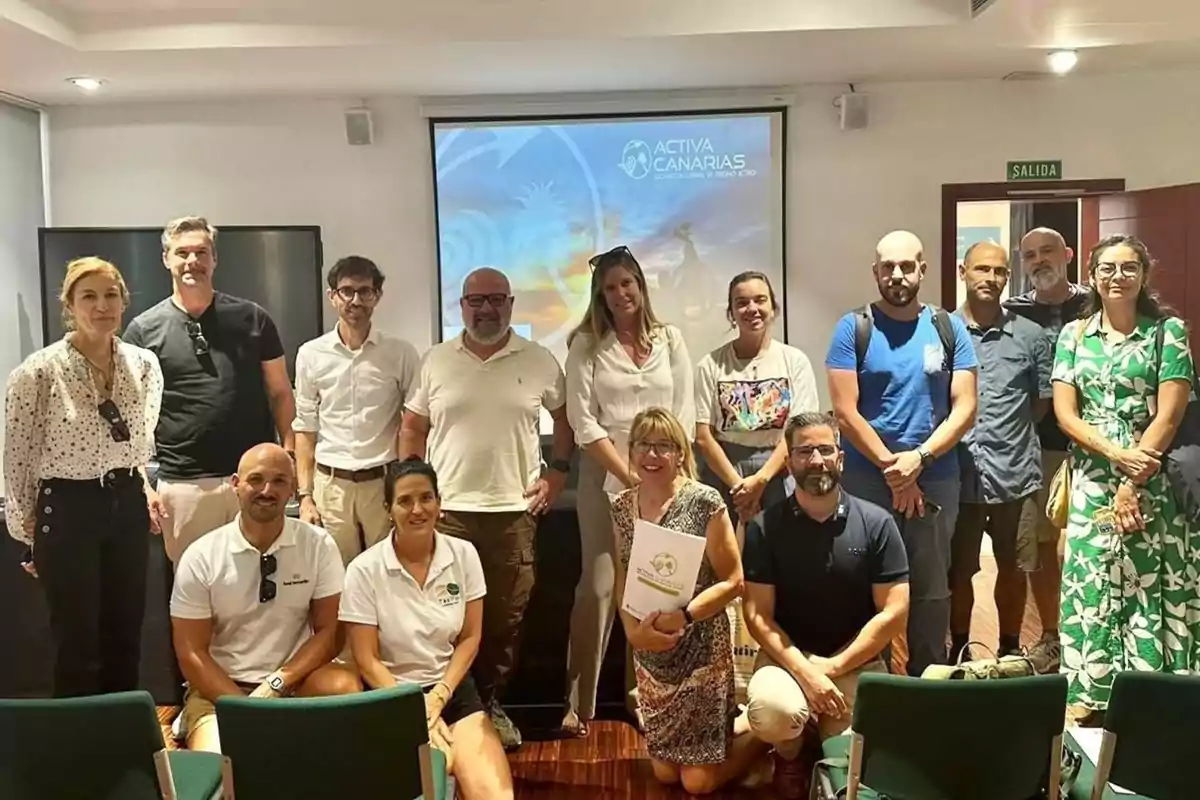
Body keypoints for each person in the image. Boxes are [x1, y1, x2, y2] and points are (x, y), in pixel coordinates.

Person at [399, 267, 573, 750]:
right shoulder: (436, 361)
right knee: (442, 620)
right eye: (476, 300)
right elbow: (412, 426)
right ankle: (445, 707)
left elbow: (565, 420)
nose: (486, 309)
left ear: (511, 304)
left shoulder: (538, 359)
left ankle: (488, 707)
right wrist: (413, 487)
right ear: (462, 306)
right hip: (447, 514)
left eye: (496, 299)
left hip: (513, 516)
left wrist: (557, 473)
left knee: (502, 622)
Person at [1052, 234, 1199, 719]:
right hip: (1094, 477)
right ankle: (1092, 696)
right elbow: (1066, 414)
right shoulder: (1073, 336)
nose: (1118, 277)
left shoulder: (1168, 332)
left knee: (1148, 583)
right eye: (1108, 268)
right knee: (1093, 581)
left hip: (1152, 477)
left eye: (1129, 267)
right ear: (1092, 276)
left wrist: (1132, 478)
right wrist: (1116, 456)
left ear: (1144, 275)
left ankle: (1154, 697)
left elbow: (1170, 414)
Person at [4, 257, 163, 697]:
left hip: (126, 503)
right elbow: (16, 457)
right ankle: (74, 753)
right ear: (69, 305)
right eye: (88, 296)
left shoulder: (144, 365)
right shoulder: (38, 373)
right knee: (76, 644)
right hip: (68, 508)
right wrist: (29, 531)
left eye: (111, 295)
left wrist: (144, 489)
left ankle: (123, 745)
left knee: (125, 636)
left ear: (124, 301)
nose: (102, 306)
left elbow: (139, 443)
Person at [825, 230, 978, 676]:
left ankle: (927, 690)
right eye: (887, 267)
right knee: (866, 585)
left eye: (906, 266)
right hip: (867, 478)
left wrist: (920, 461)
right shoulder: (853, 328)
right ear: (875, 273)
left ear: (922, 270)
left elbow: (964, 407)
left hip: (936, 476)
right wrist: (896, 470)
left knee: (931, 590)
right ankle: (869, 685)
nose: (897, 275)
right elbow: (844, 412)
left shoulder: (949, 328)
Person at [563, 245, 694, 736]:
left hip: (665, 482)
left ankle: (646, 697)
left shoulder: (671, 339)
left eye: (627, 284)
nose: (620, 294)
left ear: (641, 286)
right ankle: (580, 703)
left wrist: (661, 474)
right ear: (600, 295)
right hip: (605, 481)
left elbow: (681, 412)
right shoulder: (586, 344)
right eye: (610, 287)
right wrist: (631, 473)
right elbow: (582, 422)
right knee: (598, 589)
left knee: (652, 591)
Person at [743, 412, 909, 799]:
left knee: (860, 769)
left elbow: (894, 613)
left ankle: (818, 738)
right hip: (786, 660)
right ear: (788, 463)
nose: (816, 460)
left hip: (857, 662)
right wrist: (807, 673)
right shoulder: (764, 527)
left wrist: (833, 668)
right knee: (773, 712)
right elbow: (756, 616)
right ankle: (788, 755)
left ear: (841, 459)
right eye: (804, 452)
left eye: (825, 450)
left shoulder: (878, 523)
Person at [124, 216, 296, 563]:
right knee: (193, 595)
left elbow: (280, 392)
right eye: (182, 253)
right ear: (166, 259)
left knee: (256, 589)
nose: (192, 262)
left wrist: (288, 456)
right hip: (183, 485)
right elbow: (129, 417)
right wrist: (143, 483)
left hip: (252, 482)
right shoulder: (143, 331)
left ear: (214, 258)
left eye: (201, 252)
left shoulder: (254, 319)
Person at [340, 458, 514, 799]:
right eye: (405, 501)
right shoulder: (363, 570)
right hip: (390, 694)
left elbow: (470, 638)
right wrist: (415, 709)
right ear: (389, 509)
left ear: (439, 503)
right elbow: (366, 659)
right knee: (431, 778)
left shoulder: (464, 555)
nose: (417, 509)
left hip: (450, 690)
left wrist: (437, 698)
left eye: (426, 498)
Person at [170, 443, 361, 753]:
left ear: (292, 489)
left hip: (292, 682)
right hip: (219, 691)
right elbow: (191, 653)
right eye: (256, 480)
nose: (267, 490)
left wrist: (277, 684)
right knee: (221, 767)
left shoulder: (318, 545)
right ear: (235, 484)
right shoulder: (202, 556)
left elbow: (331, 632)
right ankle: (196, 723)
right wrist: (244, 709)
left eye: (279, 481)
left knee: (345, 687)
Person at [612, 407, 760, 796]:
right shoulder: (622, 507)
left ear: (681, 453)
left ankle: (762, 739)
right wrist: (634, 635)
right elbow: (622, 577)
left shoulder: (704, 501)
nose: (652, 455)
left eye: (663, 446)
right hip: (650, 649)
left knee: (696, 782)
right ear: (631, 451)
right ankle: (737, 727)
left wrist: (685, 616)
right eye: (643, 445)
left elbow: (734, 581)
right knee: (663, 774)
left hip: (700, 647)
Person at [949, 242, 1053, 664]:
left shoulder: (1031, 336)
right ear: (963, 272)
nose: (990, 279)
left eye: (999, 272)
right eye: (981, 269)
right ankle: (959, 648)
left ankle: (1010, 647)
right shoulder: (942, 330)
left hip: (1016, 475)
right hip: (957, 476)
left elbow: (1041, 403)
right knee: (958, 573)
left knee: (1014, 569)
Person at [1002, 227, 1091, 670]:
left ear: (1069, 255)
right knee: (1041, 549)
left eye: (1047, 251)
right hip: (1039, 449)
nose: (1039, 261)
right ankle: (1053, 637)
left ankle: (1092, 636)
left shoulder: (1097, 301)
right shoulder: (1012, 312)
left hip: (1098, 448)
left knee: (1091, 545)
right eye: (1030, 255)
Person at [294, 256, 420, 565]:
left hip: (382, 483)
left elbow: (415, 423)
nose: (355, 300)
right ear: (332, 296)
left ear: (377, 295)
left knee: (389, 570)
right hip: (330, 486)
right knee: (334, 578)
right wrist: (305, 496)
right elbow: (305, 429)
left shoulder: (400, 353)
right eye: (346, 291)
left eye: (365, 291)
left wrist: (406, 486)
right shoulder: (310, 355)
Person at [696, 270, 818, 523]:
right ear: (731, 314)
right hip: (724, 472)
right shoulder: (710, 364)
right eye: (741, 303)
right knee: (728, 555)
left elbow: (800, 431)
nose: (752, 308)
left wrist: (761, 479)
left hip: (779, 471)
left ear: (773, 307)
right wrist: (739, 487)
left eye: (760, 300)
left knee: (780, 553)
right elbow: (704, 437)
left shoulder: (795, 361)